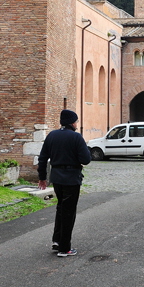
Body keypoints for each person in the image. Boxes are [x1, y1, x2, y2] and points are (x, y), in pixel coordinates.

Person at [38, 109, 91, 257]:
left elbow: (42, 158)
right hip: (72, 178)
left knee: (61, 208)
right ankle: (65, 248)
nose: (76, 124)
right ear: (72, 122)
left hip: (57, 178)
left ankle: (57, 240)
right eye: (76, 121)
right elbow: (86, 159)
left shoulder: (52, 136)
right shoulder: (76, 137)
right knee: (69, 212)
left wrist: (42, 177)